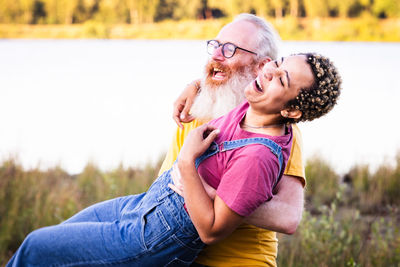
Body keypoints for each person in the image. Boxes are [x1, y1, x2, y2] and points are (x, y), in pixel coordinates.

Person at [7, 52, 342, 267]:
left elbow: (211, 230)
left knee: (37, 247)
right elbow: (229, 74)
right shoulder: (255, 104)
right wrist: (194, 84)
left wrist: (186, 163)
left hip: (157, 235)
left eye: (281, 79)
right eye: (278, 62)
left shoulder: (259, 156)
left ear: (292, 110)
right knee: (56, 241)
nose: (269, 72)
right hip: (145, 206)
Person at [160, 13, 304, 266]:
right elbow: (165, 187)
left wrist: (215, 196)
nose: (216, 55)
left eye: (230, 50)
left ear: (262, 66)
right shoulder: (195, 109)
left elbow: (288, 217)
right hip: (176, 254)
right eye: (215, 46)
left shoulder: (276, 129)